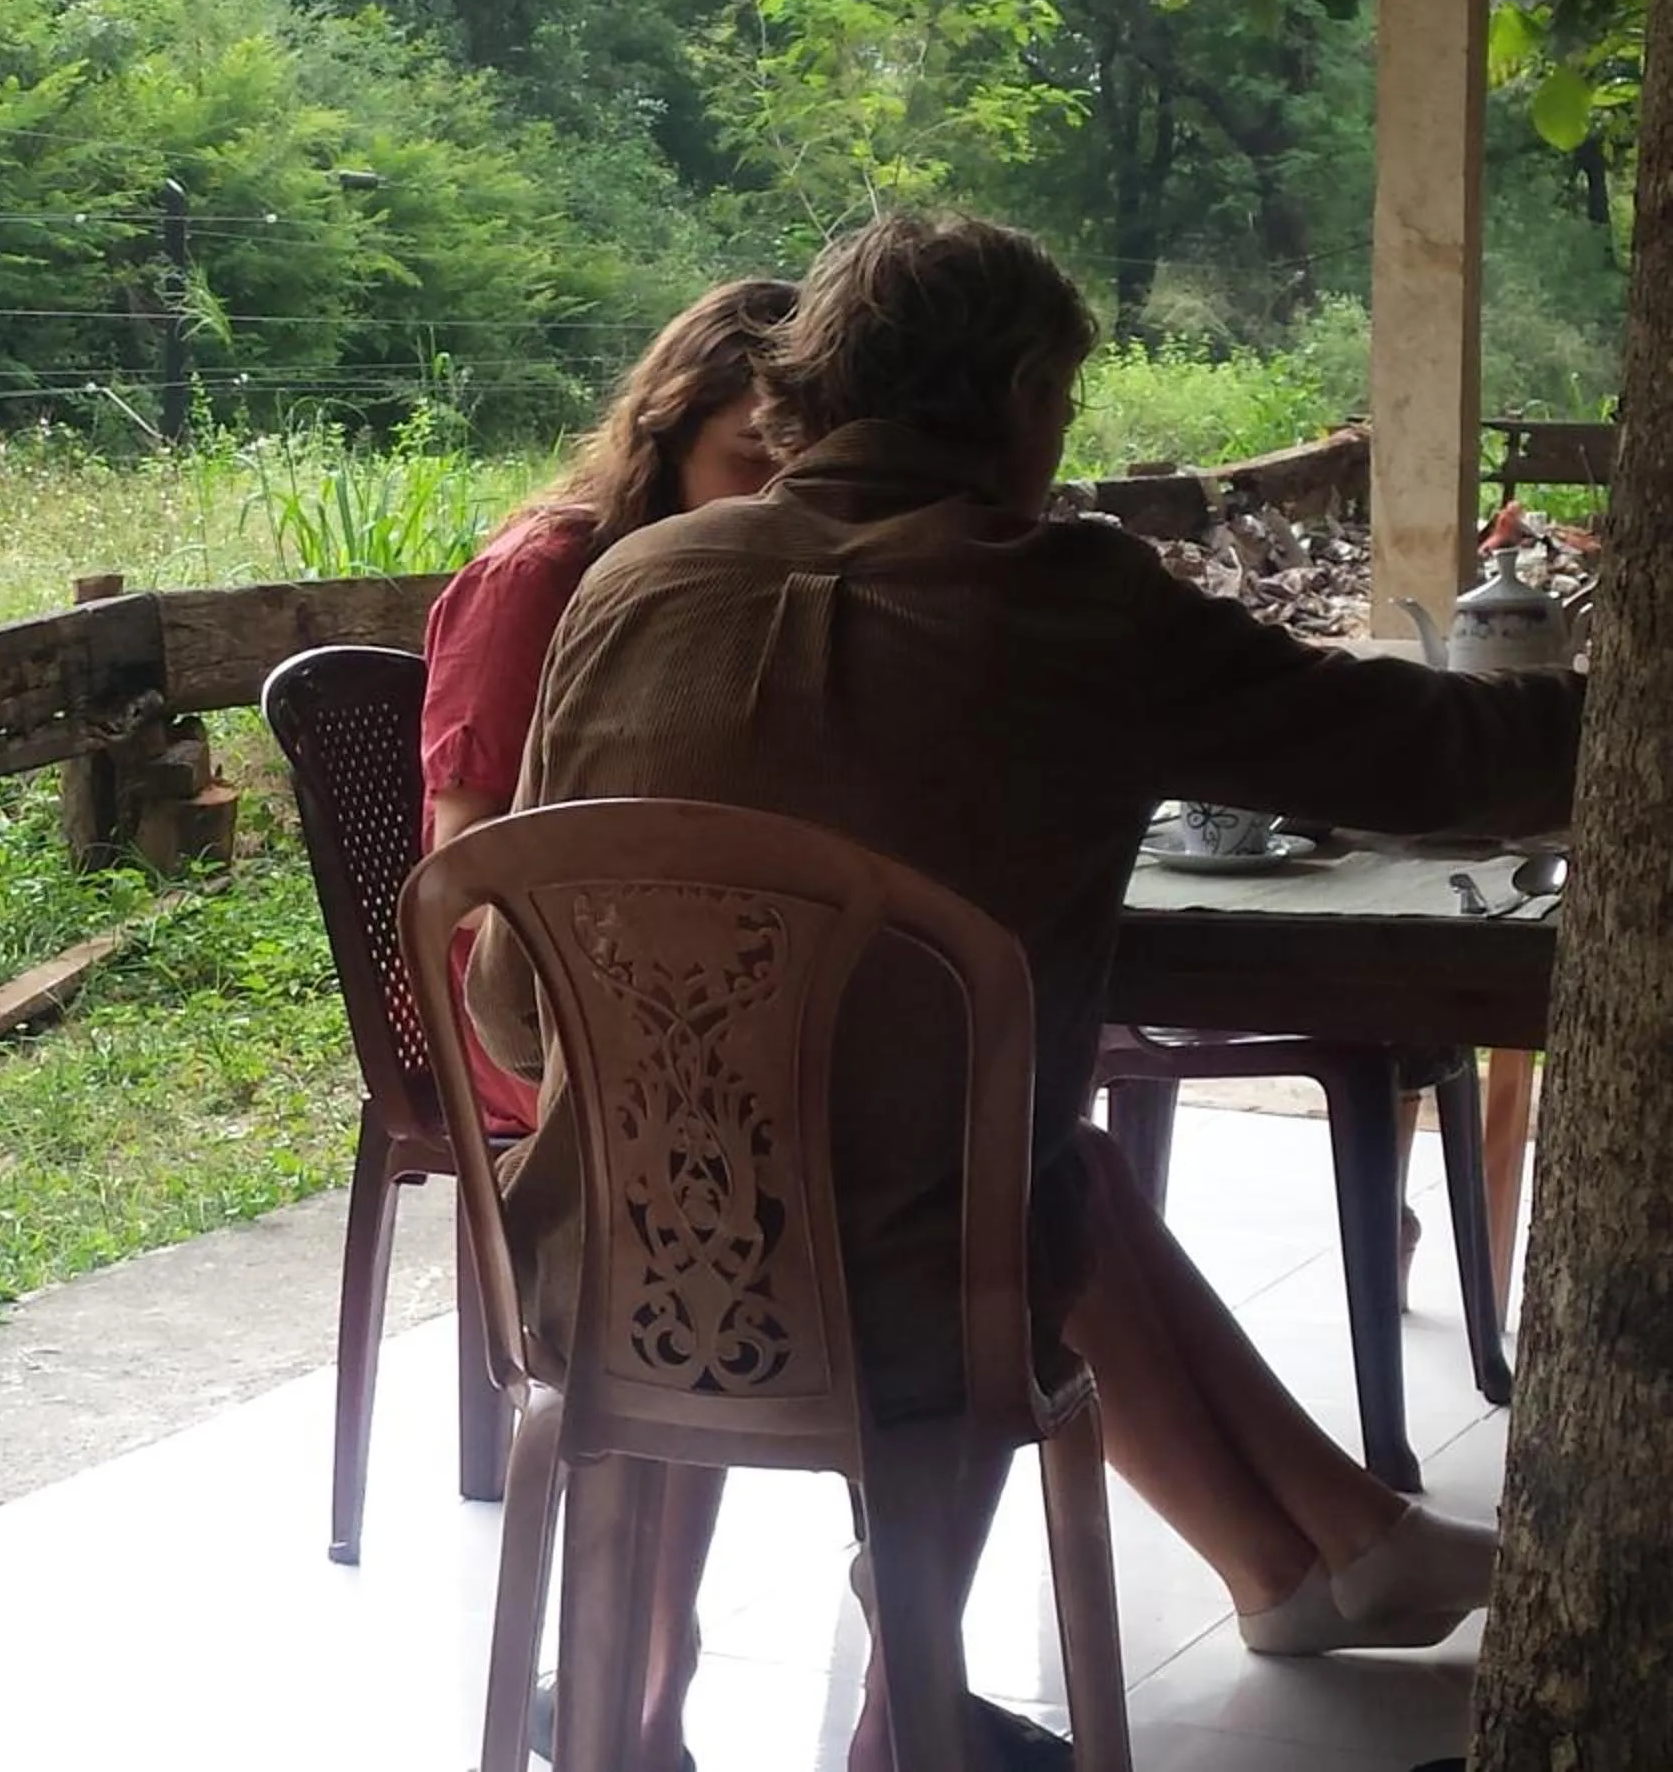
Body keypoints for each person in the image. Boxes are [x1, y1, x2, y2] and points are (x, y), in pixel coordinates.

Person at [470, 211, 1579, 1771]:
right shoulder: (1074, 597)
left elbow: (515, 1002)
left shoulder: (634, 582)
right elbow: (1426, 755)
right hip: (919, 1293)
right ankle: (903, 1718)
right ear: (1018, 398)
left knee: (707, 1180)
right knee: (1008, 1186)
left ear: (811, 389)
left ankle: (618, 1722)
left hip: (612, 1275)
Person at [422, 276, 800, 1138]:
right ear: (666, 438)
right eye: (750, 457)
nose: (778, 493)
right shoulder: (540, 577)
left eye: (804, 465)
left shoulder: (786, 579)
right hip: (526, 1008)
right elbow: (468, 871)